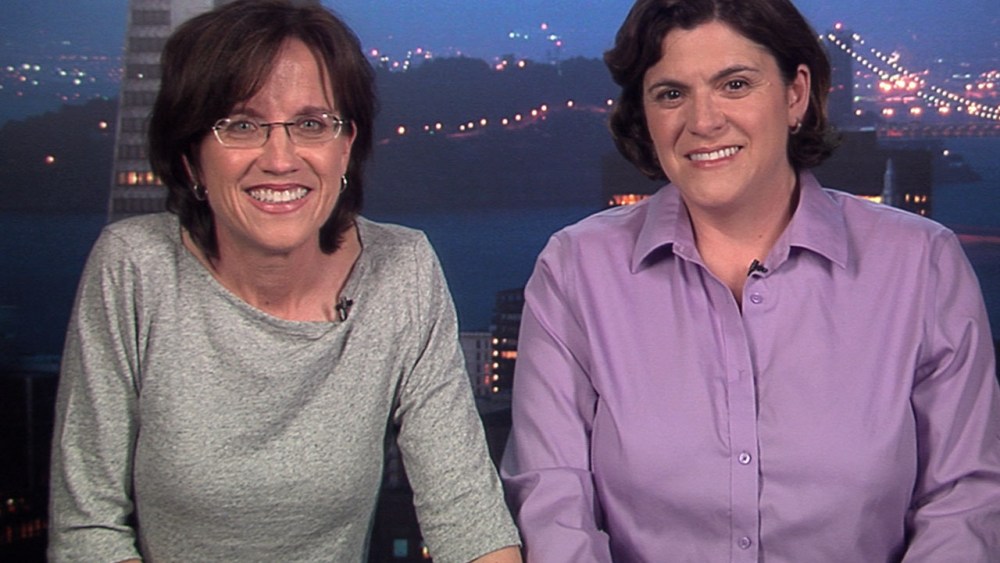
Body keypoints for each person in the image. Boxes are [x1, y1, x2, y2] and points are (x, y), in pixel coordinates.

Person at [501, 0, 1000, 560]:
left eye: (734, 84)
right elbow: (554, 499)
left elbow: (963, 499)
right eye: (671, 94)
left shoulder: (921, 264)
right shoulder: (576, 270)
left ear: (796, 94)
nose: (704, 121)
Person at [48, 1, 522, 561]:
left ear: (345, 147)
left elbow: (468, 517)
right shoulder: (134, 266)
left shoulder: (402, 268)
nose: (280, 159)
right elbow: (88, 528)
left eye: (311, 125)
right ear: (191, 159)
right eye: (241, 125)